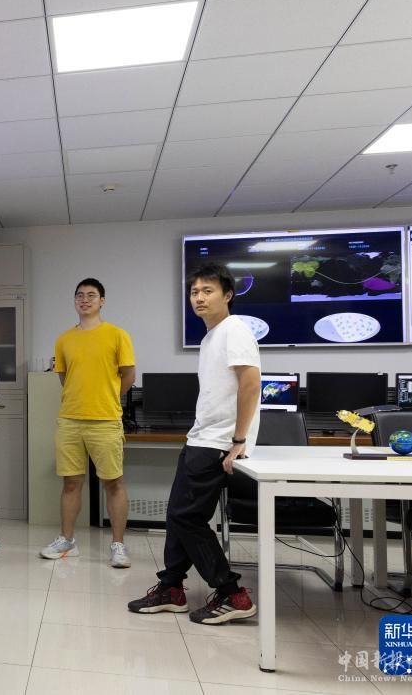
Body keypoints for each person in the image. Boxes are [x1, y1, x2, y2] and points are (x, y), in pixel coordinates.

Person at [127, 263, 260, 625]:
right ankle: (171, 588)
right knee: (178, 515)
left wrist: (238, 440)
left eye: (208, 291)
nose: (199, 297)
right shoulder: (211, 336)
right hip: (202, 437)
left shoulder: (234, 329)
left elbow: (250, 384)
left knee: (187, 517)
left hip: (218, 441)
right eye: (194, 292)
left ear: (228, 295)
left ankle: (232, 594)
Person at [40, 278, 136, 568]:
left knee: (113, 483)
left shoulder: (117, 335)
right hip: (70, 420)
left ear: (102, 301)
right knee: (71, 483)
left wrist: (107, 397)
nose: (85, 299)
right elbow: (64, 378)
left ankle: (118, 545)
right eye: (79, 295)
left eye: (91, 295)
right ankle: (67, 541)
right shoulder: (64, 339)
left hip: (105, 420)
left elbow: (129, 375)